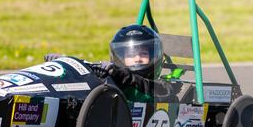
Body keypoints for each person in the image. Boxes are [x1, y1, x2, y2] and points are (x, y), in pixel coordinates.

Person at [45, 24, 178, 102]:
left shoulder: (163, 87)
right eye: (131, 55)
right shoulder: (116, 79)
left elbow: (158, 92)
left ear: (154, 56)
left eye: (143, 54)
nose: (137, 58)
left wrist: (121, 76)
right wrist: (65, 65)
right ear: (120, 57)